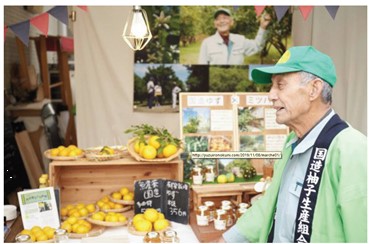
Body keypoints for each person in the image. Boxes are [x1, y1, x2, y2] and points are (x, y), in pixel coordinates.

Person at [220, 46, 367, 242]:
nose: (271, 95)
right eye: (271, 86)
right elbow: (271, 203)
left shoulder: (351, 148)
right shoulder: (292, 142)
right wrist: (228, 240)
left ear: (313, 89)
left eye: (280, 85)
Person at [198, 8, 271, 65]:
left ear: (231, 22)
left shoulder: (240, 40)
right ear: (215, 24)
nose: (222, 21)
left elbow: (257, 46)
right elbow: (202, 65)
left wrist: (262, 27)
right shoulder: (207, 43)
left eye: (225, 18)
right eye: (218, 19)